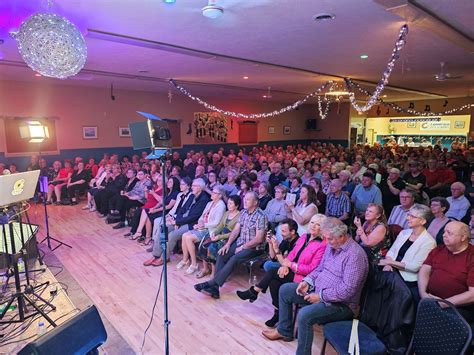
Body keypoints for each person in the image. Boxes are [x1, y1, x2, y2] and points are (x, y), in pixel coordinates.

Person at [262, 218, 368, 355]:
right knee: (285, 290)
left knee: (305, 315)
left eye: (329, 239)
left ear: (342, 236)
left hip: (341, 305)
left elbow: (347, 290)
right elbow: (319, 269)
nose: (327, 242)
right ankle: (284, 331)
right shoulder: (332, 245)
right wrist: (307, 282)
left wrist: (320, 297)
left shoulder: (355, 255)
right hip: (317, 290)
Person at [236, 215, 327, 328]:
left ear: (322, 228)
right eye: (312, 222)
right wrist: (285, 265)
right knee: (274, 281)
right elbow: (292, 254)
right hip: (291, 271)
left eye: (318, 224)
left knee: (273, 271)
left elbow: (312, 268)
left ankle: (254, 291)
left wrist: (291, 265)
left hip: (304, 278)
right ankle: (278, 313)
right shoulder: (304, 237)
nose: (313, 226)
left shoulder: (323, 245)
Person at [194, 191, 267, 299]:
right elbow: (236, 230)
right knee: (222, 253)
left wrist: (242, 247)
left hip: (254, 248)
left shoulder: (261, 216)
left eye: (248, 199)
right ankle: (215, 288)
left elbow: (259, 239)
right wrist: (227, 244)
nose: (245, 201)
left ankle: (212, 283)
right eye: (245, 198)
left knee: (234, 258)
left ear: (255, 202)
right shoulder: (243, 212)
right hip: (240, 243)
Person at [144, 178, 210, 267]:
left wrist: (178, 222)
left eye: (194, 186)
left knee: (172, 235)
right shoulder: (192, 195)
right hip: (181, 221)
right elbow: (181, 210)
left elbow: (193, 217)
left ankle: (164, 258)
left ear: (200, 187)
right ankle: (155, 255)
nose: (192, 188)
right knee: (163, 227)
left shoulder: (203, 200)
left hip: (191, 224)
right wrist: (177, 221)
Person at [418, 221, 474, 321]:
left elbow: (472, 294)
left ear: (463, 237)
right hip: (429, 299)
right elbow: (424, 269)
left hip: (457, 308)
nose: (444, 235)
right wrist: (423, 293)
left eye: (449, 233)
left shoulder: (471, 256)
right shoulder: (439, 249)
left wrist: (444, 303)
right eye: (444, 232)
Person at [379, 204, 436, 302]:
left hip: (407, 279)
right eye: (409, 214)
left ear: (423, 221)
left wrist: (390, 263)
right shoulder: (404, 232)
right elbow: (392, 251)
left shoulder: (429, 242)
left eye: (412, 216)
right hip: (392, 271)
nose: (408, 218)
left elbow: (414, 267)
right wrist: (389, 264)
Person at [178, 186, 226, 275]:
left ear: (220, 195)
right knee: (184, 235)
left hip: (210, 230)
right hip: (202, 226)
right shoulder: (209, 203)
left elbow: (216, 222)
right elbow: (202, 216)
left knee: (189, 238)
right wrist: (199, 223)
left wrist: (204, 225)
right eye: (212, 192)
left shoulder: (221, 205)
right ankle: (185, 260)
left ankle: (194, 264)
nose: (212, 193)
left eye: (214, 193)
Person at [197, 195, 241, 279]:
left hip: (229, 238)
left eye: (231, 204)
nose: (228, 205)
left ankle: (214, 272)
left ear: (237, 205)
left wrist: (219, 237)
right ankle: (205, 269)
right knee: (204, 244)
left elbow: (234, 233)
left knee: (212, 247)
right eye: (228, 203)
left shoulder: (239, 216)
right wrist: (214, 232)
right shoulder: (227, 213)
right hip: (220, 235)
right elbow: (220, 226)